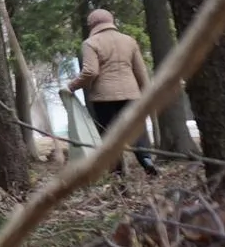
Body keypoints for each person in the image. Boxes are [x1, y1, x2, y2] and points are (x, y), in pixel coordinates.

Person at [67, 9, 161, 176]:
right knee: (136, 128)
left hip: (104, 97)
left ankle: (117, 173)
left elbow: (90, 72)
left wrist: (72, 86)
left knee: (109, 134)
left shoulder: (91, 43)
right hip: (131, 94)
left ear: (92, 24)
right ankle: (146, 159)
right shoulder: (129, 41)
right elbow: (141, 72)